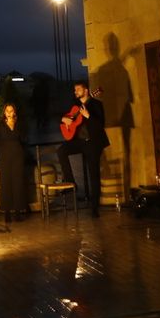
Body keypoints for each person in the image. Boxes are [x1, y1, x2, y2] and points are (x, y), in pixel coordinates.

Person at [58, 81, 108, 218]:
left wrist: (88, 116)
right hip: (79, 142)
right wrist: (63, 119)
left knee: (94, 174)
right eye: (75, 90)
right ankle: (70, 179)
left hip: (93, 143)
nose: (75, 92)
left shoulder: (96, 105)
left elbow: (101, 125)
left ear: (86, 91)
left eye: (78, 89)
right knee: (62, 150)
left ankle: (94, 208)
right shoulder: (75, 107)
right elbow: (61, 116)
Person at [0, 101, 27, 226]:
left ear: (14, 112)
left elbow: (24, 139)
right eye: (7, 111)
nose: (9, 113)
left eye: (11, 111)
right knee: (5, 183)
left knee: (18, 182)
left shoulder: (19, 124)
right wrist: (0, 151)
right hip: (5, 156)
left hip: (17, 155)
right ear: (4, 112)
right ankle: (6, 212)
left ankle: (17, 212)